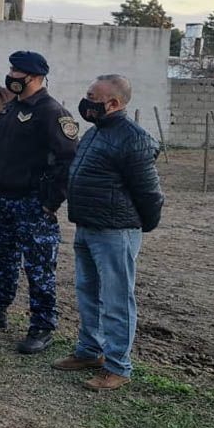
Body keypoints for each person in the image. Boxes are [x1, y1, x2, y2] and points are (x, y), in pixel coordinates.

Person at [0, 51, 79, 354]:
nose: (11, 76)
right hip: (4, 198)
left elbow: (68, 162)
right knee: (3, 259)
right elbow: (0, 148)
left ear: (35, 77)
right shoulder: (10, 109)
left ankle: (42, 326)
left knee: (39, 268)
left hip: (33, 202)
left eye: (17, 72)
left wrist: (49, 202)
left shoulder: (52, 112)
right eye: (11, 70)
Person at [54, 74, 163, 391]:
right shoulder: (95, 133)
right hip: (87, 227)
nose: (86, 101)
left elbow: (149, 193)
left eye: (92, 96)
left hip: (115, 232)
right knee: (88, 294)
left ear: (114, 103)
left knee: (116, 301)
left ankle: (118, 366)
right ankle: (90, 352)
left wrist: (143, 225)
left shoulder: (132, 138)